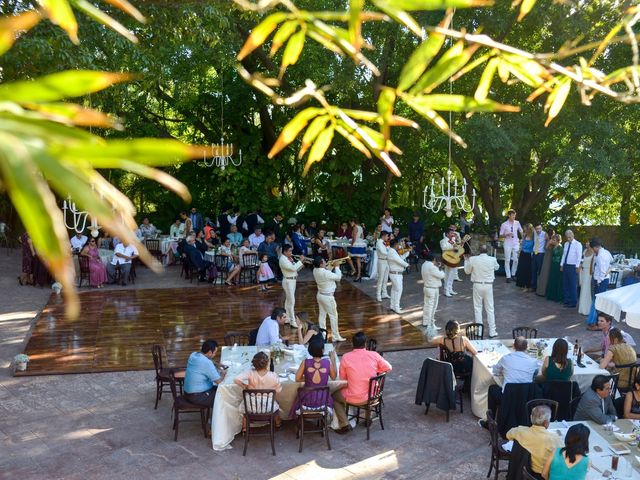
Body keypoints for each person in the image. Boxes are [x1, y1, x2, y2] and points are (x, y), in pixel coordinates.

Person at [332, 332, 392, 434]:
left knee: (333, 396)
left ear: (352, 344)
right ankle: (368, 418)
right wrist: (375, 370)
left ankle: (345, 424)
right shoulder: (374, 355)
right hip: (372, 396)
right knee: (370, 386)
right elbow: (388, 368)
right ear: (365, 344)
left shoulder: (346, 357)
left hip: (353, 397)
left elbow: (343, 378)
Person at [487, 337, 538, 419]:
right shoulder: (533, 362)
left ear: (513, 346)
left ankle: (490, 420)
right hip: (525, 396)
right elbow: (536, 372)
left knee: (492, 389)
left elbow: (495, 371)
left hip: (507, 397)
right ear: (526, 347)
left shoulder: (506, 358)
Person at [506, 405, 563, 476]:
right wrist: (559, 435)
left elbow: (508, 435)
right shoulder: (554, 439)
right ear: (546, 423)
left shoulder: (520, 431)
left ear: (531, 418)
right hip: (543, 474)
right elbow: (562, 453)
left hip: (525, 471)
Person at [234, 352, 282, 428]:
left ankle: (244, 427)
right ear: (267, 363)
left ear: (254, 364)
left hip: (251, 407)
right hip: (267, 408)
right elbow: (278, 391)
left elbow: (236, 379)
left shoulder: (250, 373)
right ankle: (277, 423)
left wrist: (245, 386)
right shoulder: (273, 375)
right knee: (277, 404)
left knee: (244, 405)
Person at [290, 343, 337, 417]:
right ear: (323, 350)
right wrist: (333, 360)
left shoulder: (305, 362)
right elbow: (334, 377)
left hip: (307, 401)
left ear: (309, 351)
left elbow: (297, 378)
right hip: (323, 401)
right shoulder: (327, 362)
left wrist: (309, 378)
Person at [464, 245, 500, 337]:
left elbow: (467, 271)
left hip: (477, 284)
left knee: (477, 308)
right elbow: (497, 267)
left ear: (479, 251)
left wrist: (466, 260)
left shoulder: (473, 259)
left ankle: (479, 331)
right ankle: (492, 331)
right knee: (490, 309)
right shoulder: (492, 259)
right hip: (488, 285)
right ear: (487, 251)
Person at [184, 339, 226, 408]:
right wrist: (223, 373)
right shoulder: (207, 363)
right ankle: (218, 418)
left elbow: (207, 359)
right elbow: (219, 382)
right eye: (214, 353)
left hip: (188, 392)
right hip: (198, 396)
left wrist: (217, 364)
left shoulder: (193, 355)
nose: (215, 354)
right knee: (225, 397)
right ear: (210, 352)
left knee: (221, 390)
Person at [313, 256, 346, 342]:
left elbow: (327, 271)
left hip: (320, 295)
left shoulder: (315, 270)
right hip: (328, 297)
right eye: (324, 261)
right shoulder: (324, 273)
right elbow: (338, 277)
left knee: (322, 315)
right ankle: (335, 336)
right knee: (333, 316)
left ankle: (322, 335)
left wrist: (331, 265)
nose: (325, 262)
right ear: (321, 264)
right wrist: (337, 267)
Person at [279, 244, 304, 328]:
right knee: (292, 301)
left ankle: (287, 318)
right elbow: (293, 268)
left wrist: (300, 262)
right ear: (285, 252)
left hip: (292, 280)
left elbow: (296, 269)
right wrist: (300, 261)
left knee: (288, 301)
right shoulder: (283, 259)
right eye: (290, 251)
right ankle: (293, 321)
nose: (291, 252)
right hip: (288, 281)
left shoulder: (288, 258)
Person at [421, 253, 445, 329]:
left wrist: (437, 266)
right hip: (432, 289)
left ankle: (425, 321)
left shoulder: (424, 264)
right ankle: (431, 324)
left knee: (426, 305)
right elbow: (442, 275)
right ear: (433, 259)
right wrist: (440, 268)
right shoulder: (432, 266)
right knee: (432, 307)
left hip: (426, 287)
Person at [499, 209, 523, 283]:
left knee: (516, 260)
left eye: (514, 215)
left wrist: (522, 239)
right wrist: (506, 234)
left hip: (516, 243)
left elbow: (521, 231)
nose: (514, 217)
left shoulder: (517, 222)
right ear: (509, 215)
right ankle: (508, 276)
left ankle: (513, 274)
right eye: (512, 215)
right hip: (507, 243)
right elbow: (500, 235)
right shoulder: (504, 224)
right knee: (507, 260)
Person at [387, 239, 409, 314]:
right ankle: (396, 307)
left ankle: (392, 305)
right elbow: (399, 261)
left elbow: (400, 258)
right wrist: (407, 265)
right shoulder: (392, 252)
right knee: (398, 290)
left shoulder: (393, 251)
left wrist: (408, 251)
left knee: (394, 290)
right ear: (395, 244)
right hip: (395, 274)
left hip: (396, 274)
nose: (399, 246)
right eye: (398, 244)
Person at [560, 230, 581, 308]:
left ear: (573, 235)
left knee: (572, 285)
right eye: (567, 237)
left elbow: (579, 257)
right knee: (565, 284)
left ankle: (573, 302)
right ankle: (566, 301)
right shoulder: (566, 244)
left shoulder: (578, 244)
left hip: (573, 267)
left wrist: (577, 267)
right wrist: (561, 265)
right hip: (566, 265)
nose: (568, 239)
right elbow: (564, 255)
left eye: (570, 237)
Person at [536, 228, 557, 296]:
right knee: (543, 273)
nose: (545, 235)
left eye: (546, 234)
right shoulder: (547, 240)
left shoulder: (551, 241)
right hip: (546, 257)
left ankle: (543, 292)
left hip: (549, 258)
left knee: (545, 273)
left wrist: (549, 242)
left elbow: (547, 248)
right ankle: (541, 291)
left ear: (548, 234)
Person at [440, 229, 460, 297]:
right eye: (451, 233)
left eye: (453, 233)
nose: (453, 234)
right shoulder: (443, 241)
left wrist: (458, 245)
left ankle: (450, 289)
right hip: (447, 259)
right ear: (447, 234)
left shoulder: (453, 241)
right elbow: (443, 248)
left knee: (452, 274)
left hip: (453, 258)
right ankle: (446, 290)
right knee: (447, 274)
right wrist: (452, 248)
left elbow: (456, 248)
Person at [545, 234, 564, 302]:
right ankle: (551, 295)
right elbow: (546, 248)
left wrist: (561, 266)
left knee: (556, 279)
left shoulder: (560, 247)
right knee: (552, 279)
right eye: (552, 239)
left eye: (554, 240)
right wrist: (549, 242)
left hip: (557, 265)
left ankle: (556, 296)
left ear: (558, 240)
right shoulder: (552, 246)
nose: (553, 241)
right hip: (553, 264)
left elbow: (562, 257)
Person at [516, 223, 534, 291]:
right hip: (523, 254)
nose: (524, 230)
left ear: (529, 229)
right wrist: (519, 252)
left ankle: (527, 286)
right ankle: (522, 285)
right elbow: (522, 245)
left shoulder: (533, 237)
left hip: (529, 255)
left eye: (525, 229)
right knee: (521, 270)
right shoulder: (524, 236)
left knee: (527, 271)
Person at [578, 242, 595, 317]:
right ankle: (581, 308)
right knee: (582, 289)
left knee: (586, 289)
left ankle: (587, 309)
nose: (586, 243)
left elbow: (594, 264)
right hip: (582, 271)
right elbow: (581, 260)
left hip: (589, 273)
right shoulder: (584, 251)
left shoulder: (594, 253)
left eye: (588, 242)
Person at [531, 223, 548, 291]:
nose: (538, 230)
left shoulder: (544, 234)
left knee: (540, 271)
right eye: (537, 229)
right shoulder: (534, 232)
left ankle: (541, 287)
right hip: (534, 253)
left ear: (541, 228)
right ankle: (533, 287)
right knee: (533, 270)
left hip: (541, 254)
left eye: (539, 228)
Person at [375, 231, 391, 302]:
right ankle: (378, 294)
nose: (388, 237)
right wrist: (390, 253)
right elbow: (382, 251)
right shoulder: (379, 242)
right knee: (380, 278)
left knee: (385, 278)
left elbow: (387, 249)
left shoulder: (385, 243)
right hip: (381, 261)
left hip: (386, 261)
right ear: (383, 236)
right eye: (387, 236)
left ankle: (384, 293)